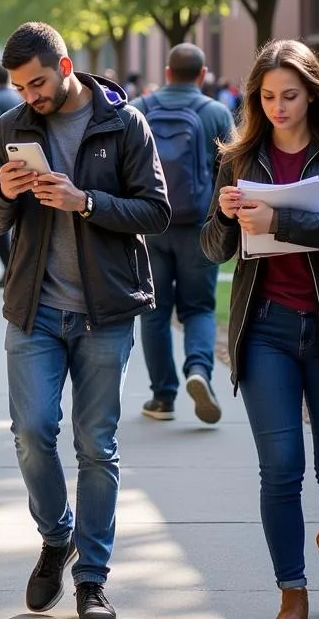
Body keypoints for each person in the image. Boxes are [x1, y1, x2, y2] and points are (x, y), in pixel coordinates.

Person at [0, 21, 169, 619]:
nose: (28, 96)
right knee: (32, 433)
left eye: (36, 83)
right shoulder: (11, 127)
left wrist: (84, 201)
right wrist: (6, 195)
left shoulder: (123, 122)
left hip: (105, 313)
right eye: (19, 86)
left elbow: (157, 212)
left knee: (97, 445)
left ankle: (91, 577)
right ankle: (56, 534)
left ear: (64, 67)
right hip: (34, 311)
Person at [201, 40, 319, 619]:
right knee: (280, 469)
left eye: (290, 96)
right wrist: (226, 218)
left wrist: (284, 219)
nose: (278, 107)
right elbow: (212, 246)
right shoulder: (238, 157)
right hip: (268, 331)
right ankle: (292, 588)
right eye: (268, 96)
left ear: (313, 92)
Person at [130, 43, 234, 424]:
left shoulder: (140, 108)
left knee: (154, 312)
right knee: (199, 308)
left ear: (168, 72)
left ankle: (162, 397)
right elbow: (233, 171)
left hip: (150, 227)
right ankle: (199, 371)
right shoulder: (217, 112)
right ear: (203, 74)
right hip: (199, 229)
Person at [0, 64, 24, 289]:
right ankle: (12, 269)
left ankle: (11, 269)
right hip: (28, 166)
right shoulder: (17, 100)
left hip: (2, 172)